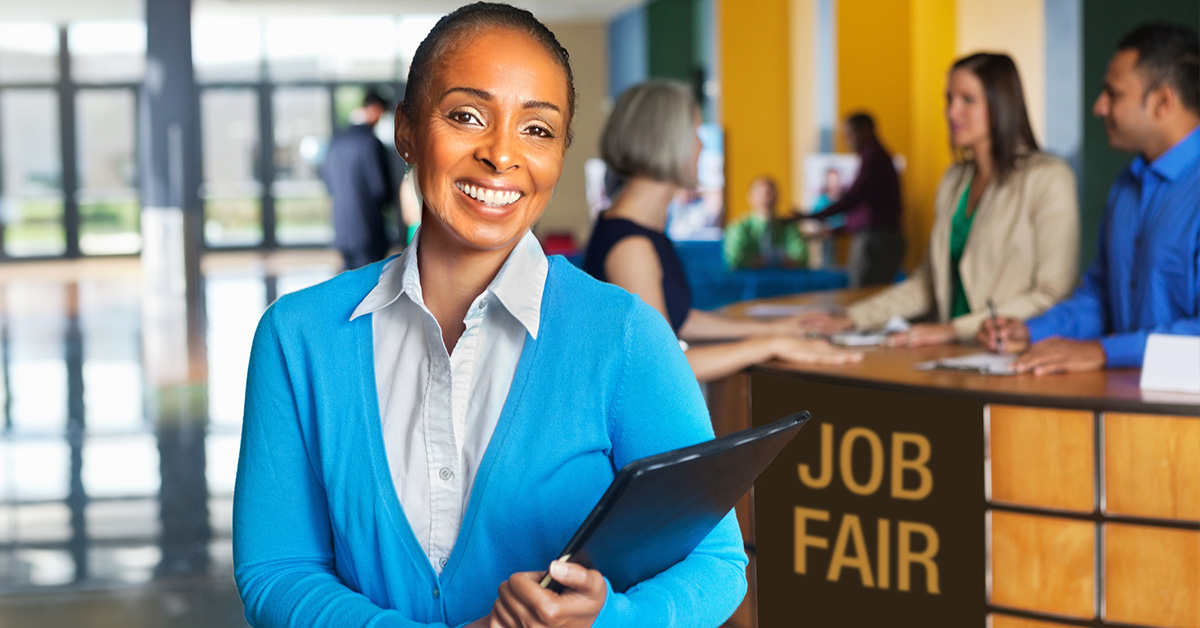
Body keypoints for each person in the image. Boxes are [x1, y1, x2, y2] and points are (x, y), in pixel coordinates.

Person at [233, 5, 748, 628]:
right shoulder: (298, 338)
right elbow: (277, 570)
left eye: (537, 130)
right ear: (407, 131)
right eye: (466, 116)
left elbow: (718, 563)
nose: (502, 154)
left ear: (560, 154)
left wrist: (611, 620)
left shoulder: (625, 336)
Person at [582, 80, 861, 383]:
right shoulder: (632, 247)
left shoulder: (642, 230)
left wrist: (778, 328)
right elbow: (659, 369)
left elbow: (678, 318)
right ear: (666, 139)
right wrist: (771, 345)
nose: (701, 145)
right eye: (696, 133)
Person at [804, 53, 1080, 346]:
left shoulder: (1049, 177)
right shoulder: (953, 180)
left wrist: (954, 329)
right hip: (954, 357)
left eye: (967, 100)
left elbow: (1052, 294)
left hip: (1013, 356)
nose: (952, 112)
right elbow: (926, 284)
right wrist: (852, 318)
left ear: (1002, 104)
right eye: (949, 99)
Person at [980, 23, 1200, 374]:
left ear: (1162, 101)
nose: (1100, 107)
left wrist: (1104, 351)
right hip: (1123, 406)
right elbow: (1100, 296)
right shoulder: (1126, 186)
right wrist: (1031, 330)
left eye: (1113, 94)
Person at [807, 113, 905, 287]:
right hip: (877, 237)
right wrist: (838, 229)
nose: (846, 140)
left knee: (865, 298)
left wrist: (813, 216)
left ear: (866, 131)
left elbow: (854, 199)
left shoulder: (874, 158)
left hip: (877, 241)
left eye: (850, 134)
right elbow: (865, 209)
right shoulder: (872, 158)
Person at [322, 88, 399, 270]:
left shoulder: (337, 140)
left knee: (348, 283)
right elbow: (380, 188)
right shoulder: (371, 143)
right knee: (369, 285)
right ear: (375, 109)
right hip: (368, 229)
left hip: (342, 228)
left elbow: (328, 181)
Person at [723, 176, 807, 269]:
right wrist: (778, 261)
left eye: (770, 194)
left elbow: (801, 258)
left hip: (785, 282)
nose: (766, 199)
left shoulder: (789, 227)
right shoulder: (738, 228)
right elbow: (734, 261)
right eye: (760, 194)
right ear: (750, 197)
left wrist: (758, 261)